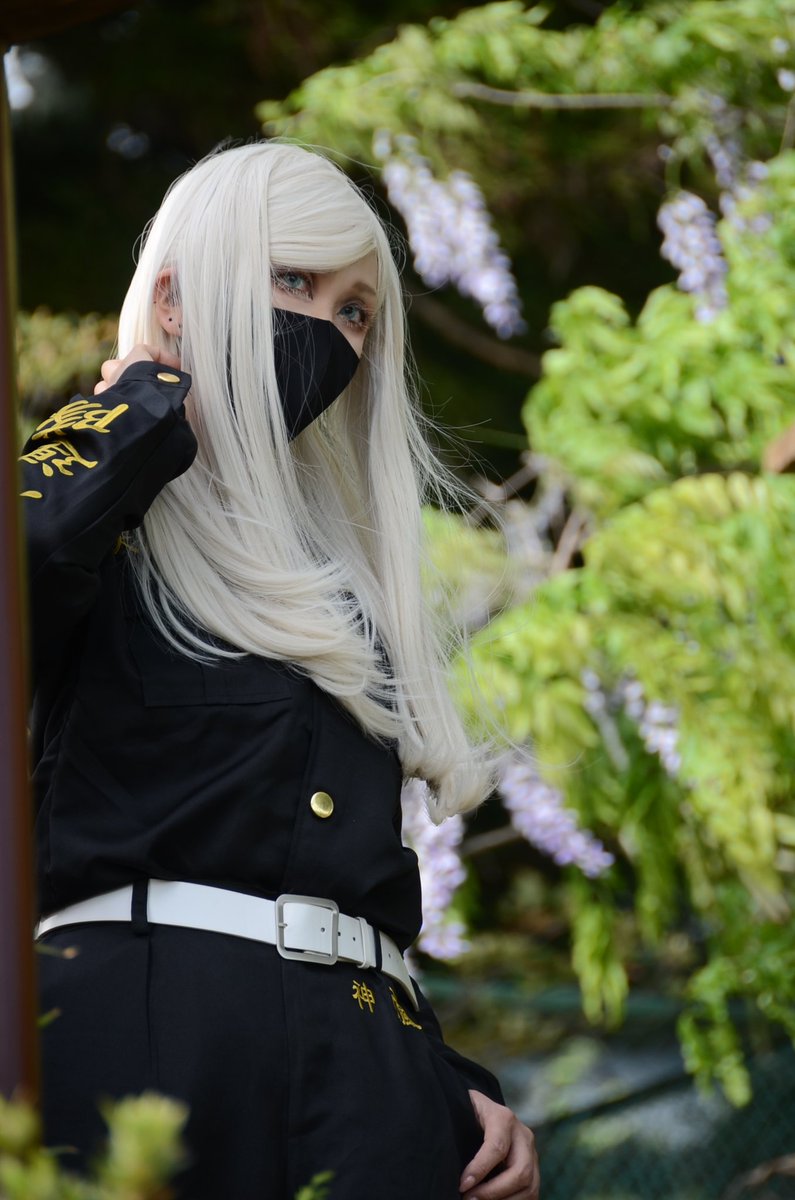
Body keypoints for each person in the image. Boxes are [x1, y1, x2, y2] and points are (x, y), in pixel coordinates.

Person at [20, 141, 539, 1200]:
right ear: (176, 301)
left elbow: (341, 884)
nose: (327, 333)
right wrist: (144, 410)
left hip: (371, 1080)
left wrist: (446, 1086)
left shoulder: (348, 584)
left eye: (356, 312)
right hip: (149, 1055)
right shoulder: (103, 515)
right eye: (293, 282)